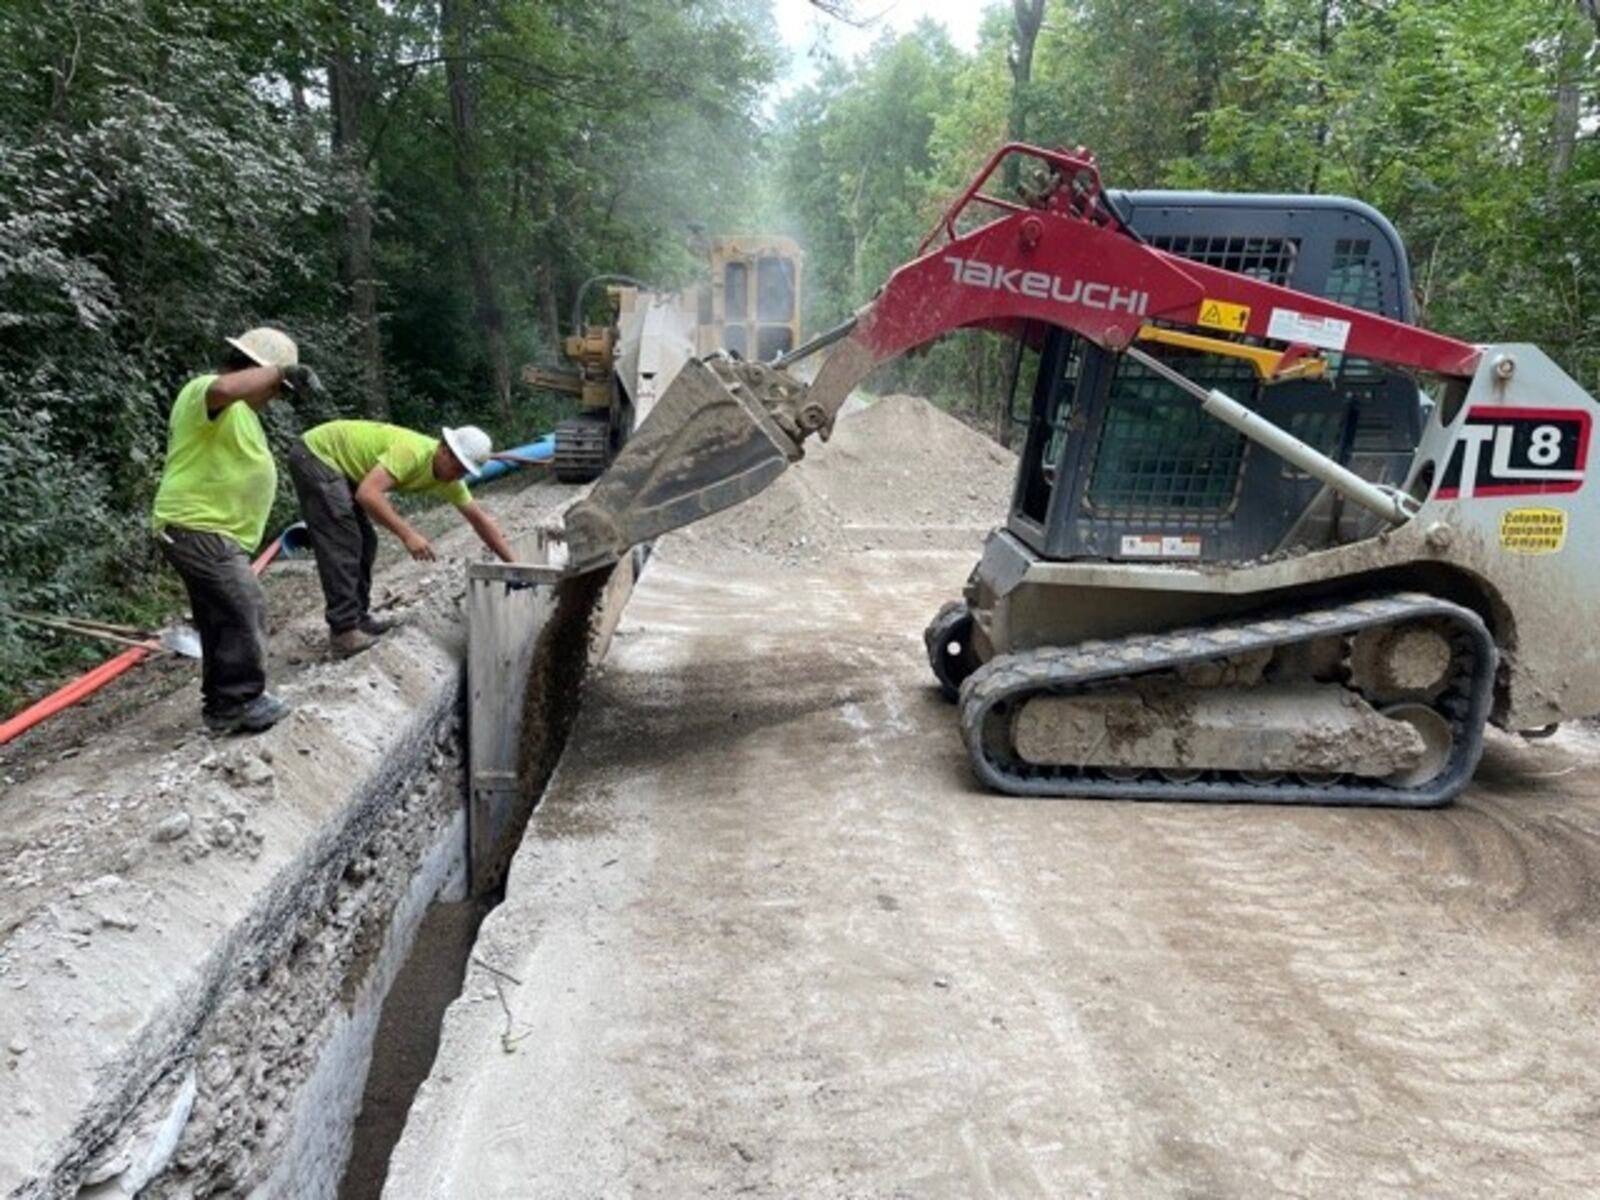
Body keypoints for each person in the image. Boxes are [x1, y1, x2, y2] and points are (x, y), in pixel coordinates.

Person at [152, 327, 318, 735]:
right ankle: (239, 700)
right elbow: (226, 387)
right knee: (245, 606)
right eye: (276, 387)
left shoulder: (240, 413)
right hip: (197, 526)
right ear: (259, 371)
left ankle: (224, 704)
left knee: (222, 616)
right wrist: (283, 371)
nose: (275, 397)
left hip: (213, 532)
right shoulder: (204, 392)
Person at [287, 420, 517, 657]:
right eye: (459, 469)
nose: (458, 477)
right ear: (445, 451)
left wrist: (514, 565)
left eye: (465, 472)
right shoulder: (412, 453)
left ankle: (358, 619)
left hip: (341, 466)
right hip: (317, 454)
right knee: (343, 542)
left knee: (366, 543)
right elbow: (368, 494)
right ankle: (343, 632)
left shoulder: (450, 479)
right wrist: (407, 534)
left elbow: (481, 521)